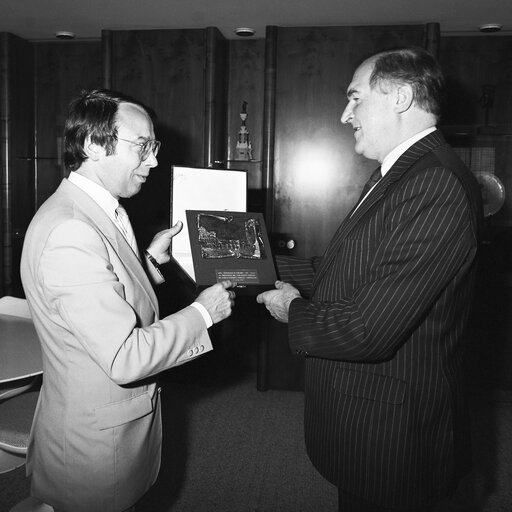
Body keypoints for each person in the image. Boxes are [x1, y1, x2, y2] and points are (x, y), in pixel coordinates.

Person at [257, 47, 483, 512]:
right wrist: (257, 266)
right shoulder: (400, 172)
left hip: (392, 430)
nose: (345, 115)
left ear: (400, 96)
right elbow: (345, 267)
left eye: (354, 98)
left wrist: (290, 310)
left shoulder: (433, 182)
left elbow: (366, 330)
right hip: (368, 412)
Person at [20, 89, 236, 512]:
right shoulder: (71, 230)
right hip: (94, 448)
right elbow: (124, 357)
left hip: (105, 424)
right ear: (93, 145)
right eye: (143, 147)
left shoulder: (95, 209)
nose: (154, 161)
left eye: (154, 147)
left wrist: (150, 261)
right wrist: (202, 313)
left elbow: (114, 294)